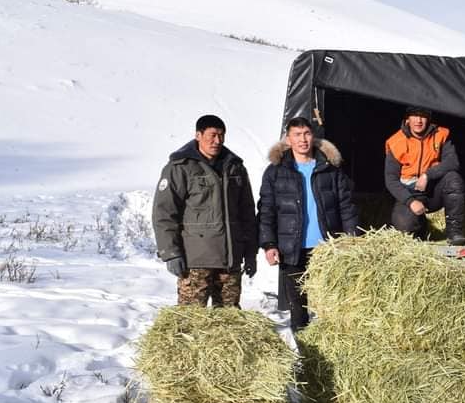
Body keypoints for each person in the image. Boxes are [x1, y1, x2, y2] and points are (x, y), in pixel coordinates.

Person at [259, 117, 359, 331]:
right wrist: (269, 244)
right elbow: (266, 210)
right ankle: (305, 354)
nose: (303, 139)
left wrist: (351, 239)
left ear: (313, 137)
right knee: (298, 306)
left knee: (330, 305)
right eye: (297, 134)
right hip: (292, 249)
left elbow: (346, 206)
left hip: (327, 248)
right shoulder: (276, 171)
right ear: (289, 139)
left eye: (306, 134)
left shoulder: (330, 168)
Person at [152, 114, 258, 307]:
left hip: (230, 260)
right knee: (190, 320)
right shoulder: (180, 168)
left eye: (221, 135)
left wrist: (250, 252)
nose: (217, 141)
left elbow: (247, 213)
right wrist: (170, 252)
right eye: (212, 135)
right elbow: (164, 212)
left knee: (229, 322)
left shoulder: (235, 167)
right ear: (198, 135)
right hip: (195, 262)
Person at [385, 106, 465, 245]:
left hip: (433, 191)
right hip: (410, 193)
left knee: (453, 179)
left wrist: (427, 175)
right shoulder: (395, 142)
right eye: (414, 116)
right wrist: (411, 201)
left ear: (428, 118)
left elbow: (453, 162)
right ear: (407, 120)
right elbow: (390, 180)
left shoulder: (441, 134)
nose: (418, 120)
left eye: (423, 116)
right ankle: (421, 226)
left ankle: (455, 232)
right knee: (404, 227)